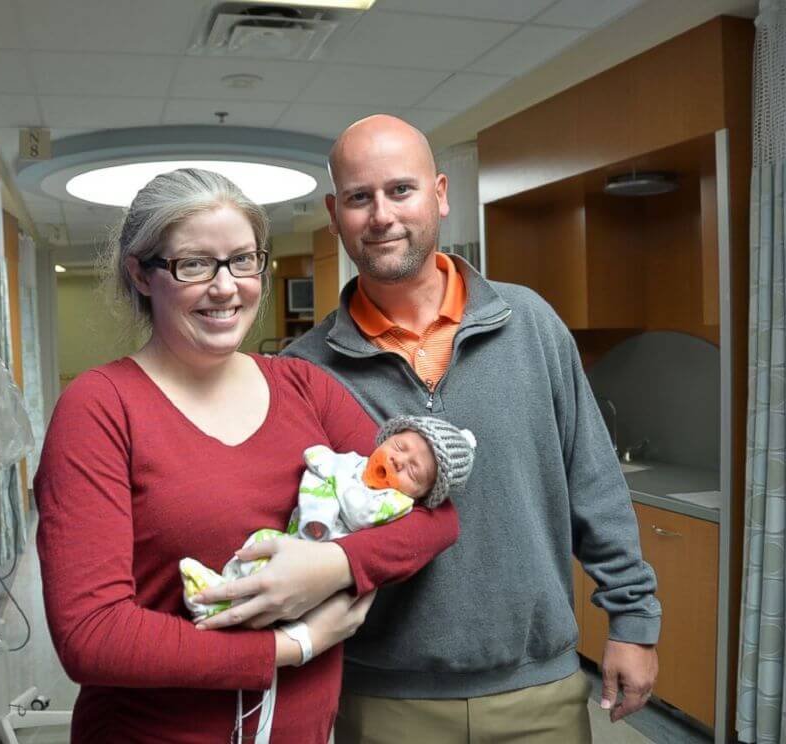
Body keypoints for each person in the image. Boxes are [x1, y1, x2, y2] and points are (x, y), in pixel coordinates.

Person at [33, 167, 460, 744]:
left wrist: (326, 569)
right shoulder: (100, 408)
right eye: (193, 265)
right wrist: (292, 645)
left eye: (242, 260)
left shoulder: (305, 389)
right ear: (140, 273)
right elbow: (93, 635)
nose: (225, 286)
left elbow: (434, 518)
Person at [281, 114, 662, 742]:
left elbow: (592, 481)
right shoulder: (303, 370)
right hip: (380, 699)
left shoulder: (531, 324)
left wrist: (633, 619)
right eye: (359, 197)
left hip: (537, 692)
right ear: (334, 212)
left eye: (400, 190)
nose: (381, 215)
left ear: (439, 194)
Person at [181, 414, 477, 623]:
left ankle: (222, 607)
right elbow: (318, 465)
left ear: (420, 495)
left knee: (284, 595)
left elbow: (359, 512)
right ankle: (222, 587)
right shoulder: (352, 463)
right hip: (296, 536)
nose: (398, 461)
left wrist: (335, 478)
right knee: (260, 543)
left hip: (326, 574)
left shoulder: (395, 503)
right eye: (399, 447)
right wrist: (327, 472)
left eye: (413, 471)